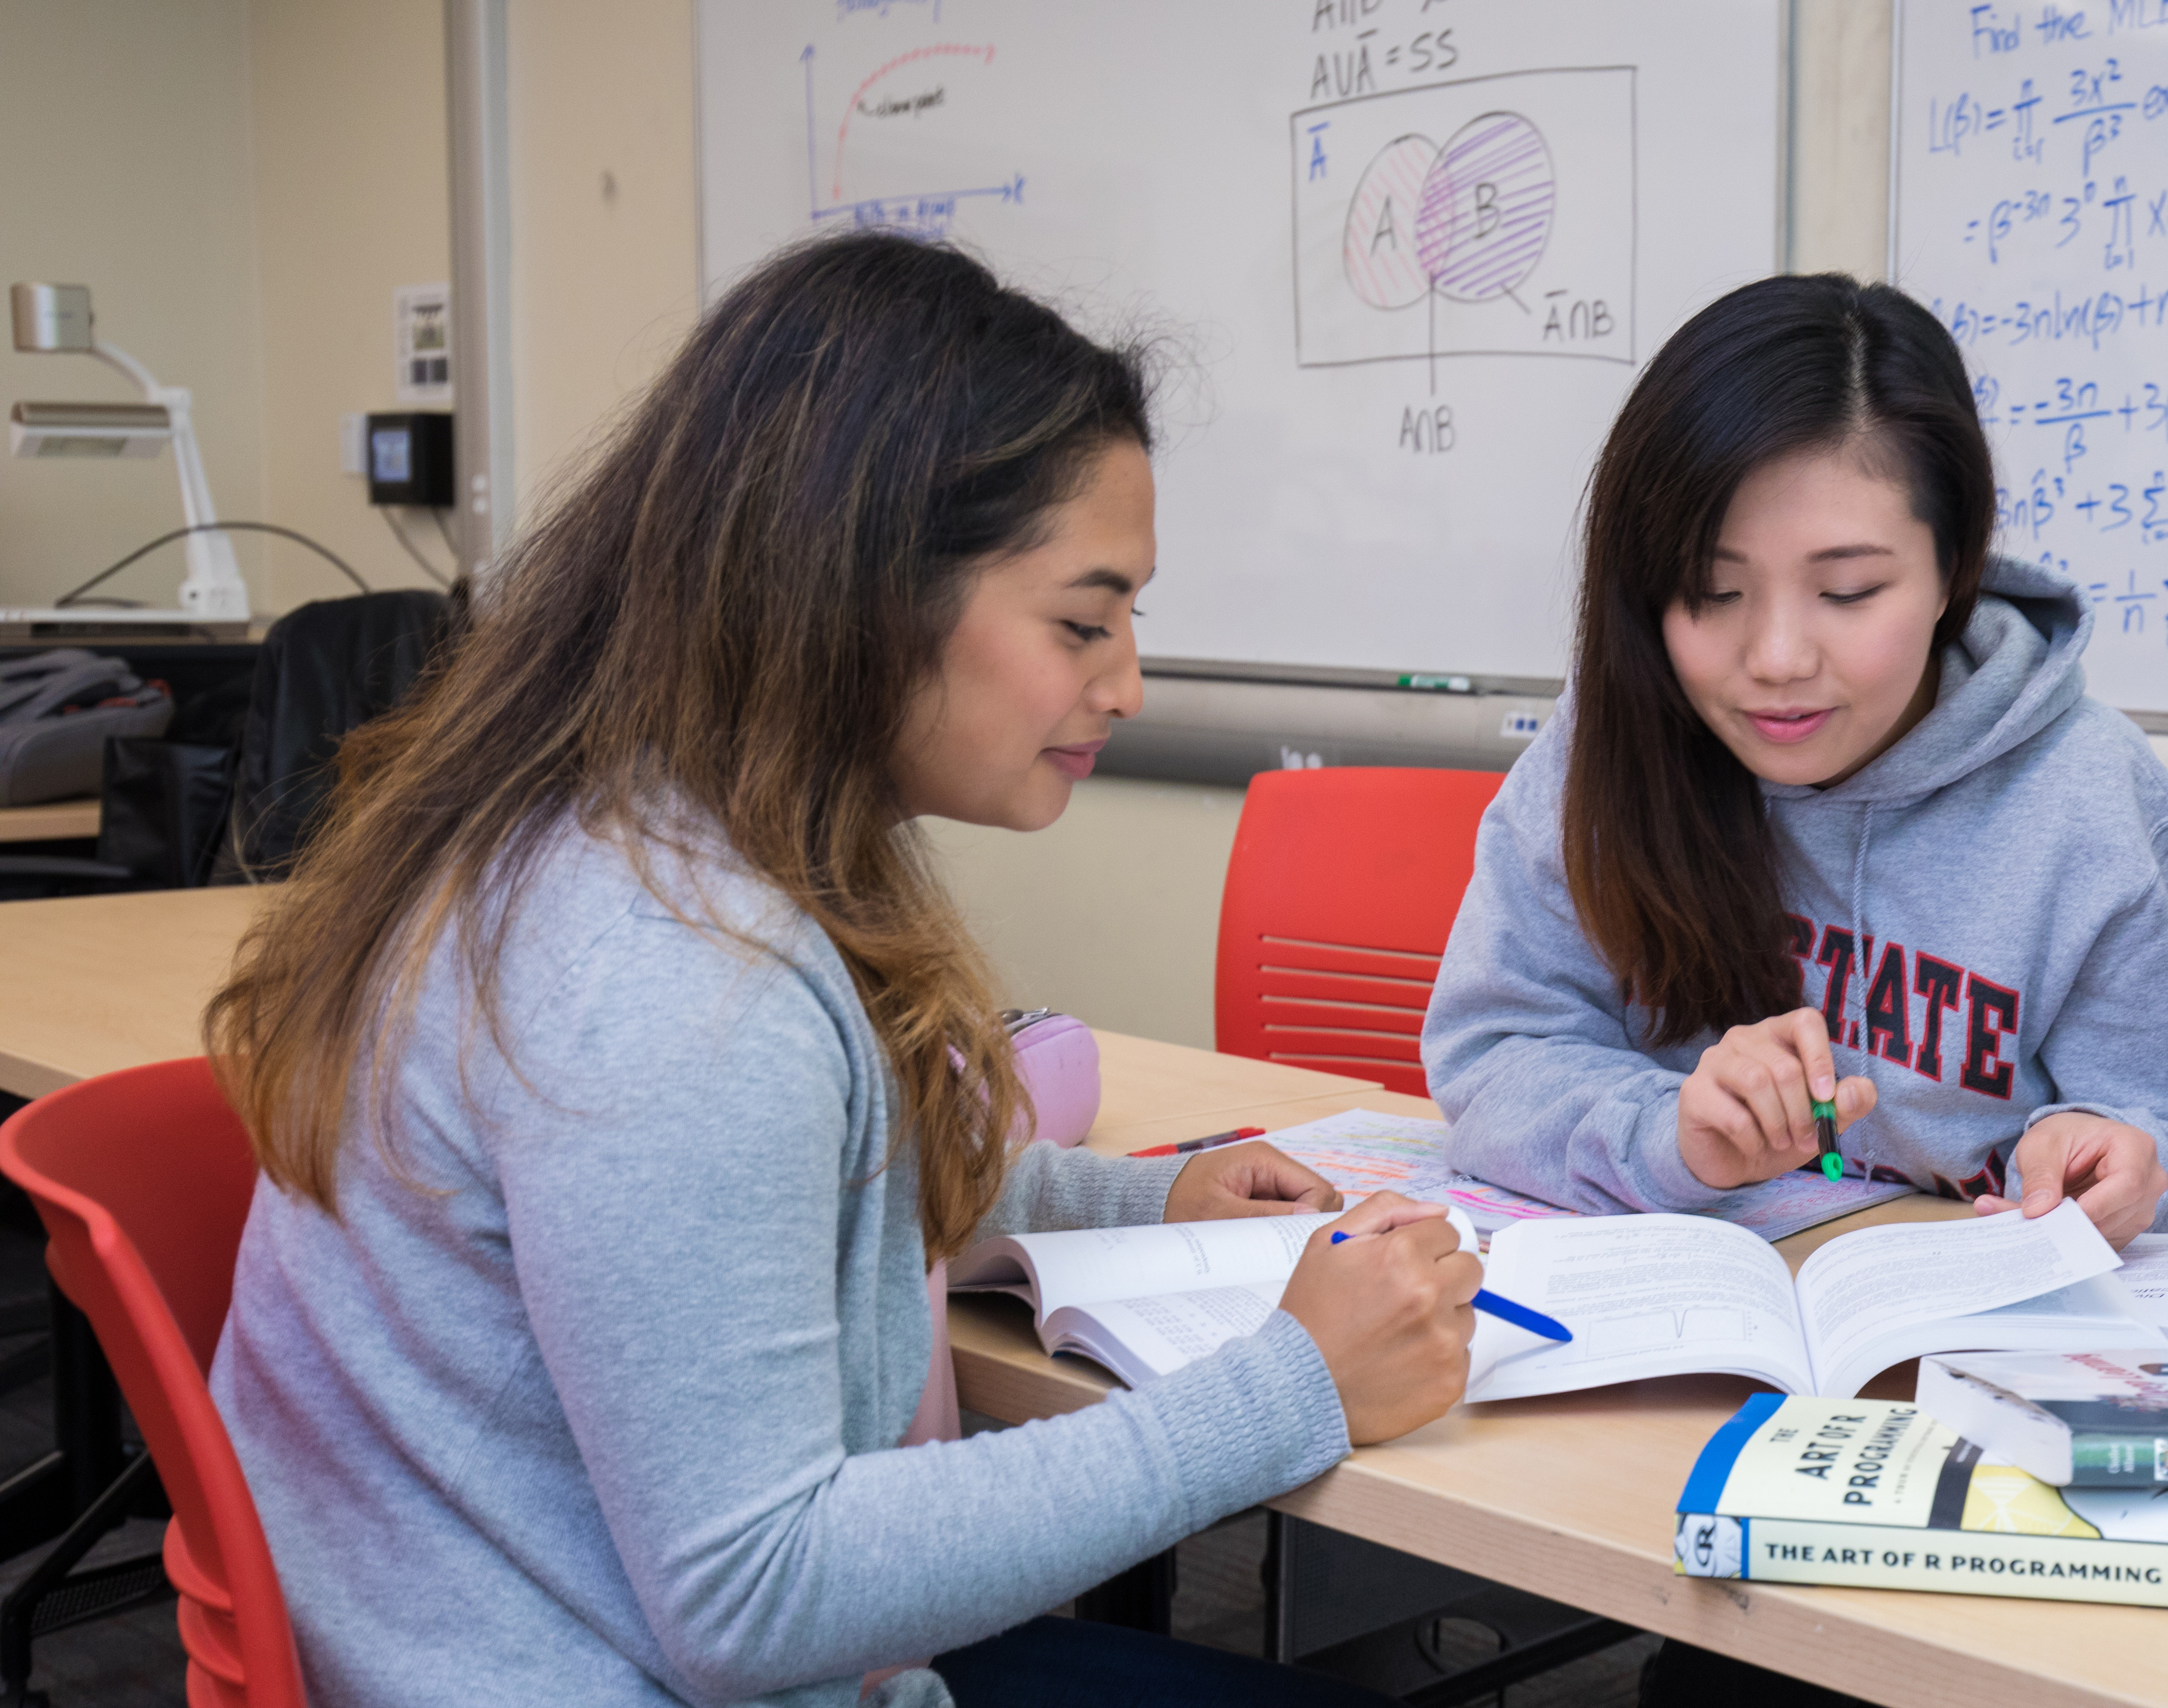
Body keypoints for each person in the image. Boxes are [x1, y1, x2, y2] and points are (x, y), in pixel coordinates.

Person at [202, 232, 1482, 1705]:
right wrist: (1291, 1392)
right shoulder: (680, 979)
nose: (1125, 681)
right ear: (860, 594)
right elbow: (760, 1591)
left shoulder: (609, 830)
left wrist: (1132, 1196)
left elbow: (741, 1211)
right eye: (1083, 620)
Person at [1422, 274, 2168, 1250]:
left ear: (1954, 571)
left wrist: (2118, 1159)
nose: (1778, 659)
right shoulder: (1612, 742)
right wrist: (1671, 1137)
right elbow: (1496, 1055)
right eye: (1711, 590)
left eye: (1850, 591)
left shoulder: (2091, 803)